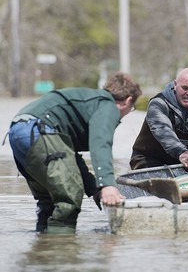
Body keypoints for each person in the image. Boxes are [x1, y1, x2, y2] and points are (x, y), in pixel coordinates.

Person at [8, 72, 142, 234]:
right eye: (132, 108)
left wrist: (94, 188)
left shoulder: (88, 104)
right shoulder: (107, 105)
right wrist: (107, 185)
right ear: (127, 101)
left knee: (49, 200)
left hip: (19, 133)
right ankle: (62, 249)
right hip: (39, 131)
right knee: (70, 195)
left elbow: (69, 155)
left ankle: (42, 249)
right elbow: (100, 144)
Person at [130, 67, 188, 170]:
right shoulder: (158, 104)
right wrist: (182, 152)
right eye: (185, 88)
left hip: (182, 164)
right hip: (148, 162)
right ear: (175, 85)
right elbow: (163, 132)